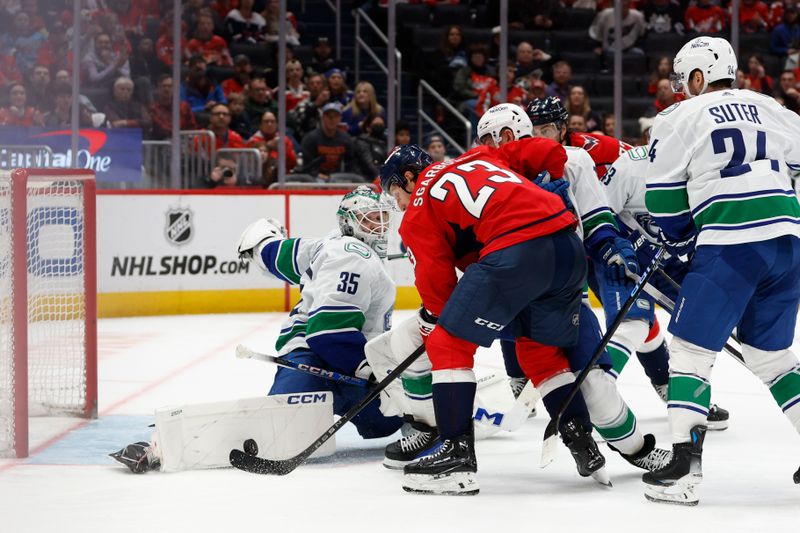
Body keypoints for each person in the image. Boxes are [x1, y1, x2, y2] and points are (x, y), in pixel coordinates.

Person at [110, 187, 402, 472]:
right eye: (371, 218)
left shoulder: (325, 244)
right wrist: (371, 370)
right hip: (314, 356)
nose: (380, 227)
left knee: (390, 419)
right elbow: (328, 334)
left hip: (347, 358)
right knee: (272, 431)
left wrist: (261, 242)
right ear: (349, 222)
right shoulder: (352, 255)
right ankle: (162, 443)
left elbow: (278, 255)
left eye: (383, 218)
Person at [379, 142, 606, 495]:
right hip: (567, 246)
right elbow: (549, 152)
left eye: (395, 191)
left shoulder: (418, 210)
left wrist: (437, 318)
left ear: (410, 177)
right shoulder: (478, 156)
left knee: (447, 342)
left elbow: (437, 287)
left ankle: (455, 457)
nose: (398, 203)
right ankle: (580, 437)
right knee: (538, 352)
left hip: (517, 252)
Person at [641, 36, 800, 505]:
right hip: (788, 242)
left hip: (731, 241)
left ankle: (682, 472)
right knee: (772, 359)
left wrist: (683, 238)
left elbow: (665, 205)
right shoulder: (771, 106)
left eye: (684, 79)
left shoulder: (679, 118)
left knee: (689, 352)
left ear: (696, 78)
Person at [298, 101, 355, 180]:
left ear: (340, 118)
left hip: (338, 179)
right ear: (323, 117)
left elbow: (350, 165)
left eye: (335, 116)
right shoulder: (310, 138)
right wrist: (324, 178)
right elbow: (307, 167)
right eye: (328, 116)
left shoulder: (346, 139)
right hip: (315, 178)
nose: (332, 119)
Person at [148, 74, 198, 140]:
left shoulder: (184, 106)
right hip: (161, 143)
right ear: (158, 88)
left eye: (170, 86)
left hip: (182, 143)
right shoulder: (152, 108)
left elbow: (192, 127)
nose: (167, 89)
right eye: (164, 86)